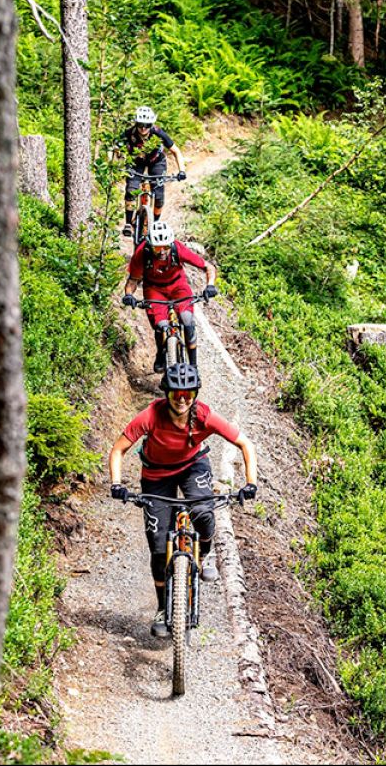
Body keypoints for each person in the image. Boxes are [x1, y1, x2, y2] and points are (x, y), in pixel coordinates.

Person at [107, 363, 258, 637]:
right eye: (176, 392)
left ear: (195, 393)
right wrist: (116, 483)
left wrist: (251, 483)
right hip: (155, 475)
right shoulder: (151, 416)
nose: (182, 398)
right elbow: (118, 450)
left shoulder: (204, 416)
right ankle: (164, 608)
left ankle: (206, 555)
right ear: (167, 393)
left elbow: (245, 444)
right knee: (156, 545)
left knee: (203, 512)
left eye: (188, 393)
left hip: (193, 467)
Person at [122, 220, 218, 373]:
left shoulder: (177, 249)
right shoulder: (142, 254)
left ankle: (193, 366)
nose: (162, 251)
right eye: (158, 247)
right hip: (154, 289)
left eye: (166, 247)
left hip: (178, 285)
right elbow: (133, 280)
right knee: (161, 326)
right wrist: (128, 295)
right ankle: (161, 353)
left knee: (187, 321)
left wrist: (210, 285)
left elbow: (208, 267)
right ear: (150, 245)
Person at [117, 106, 185, 239]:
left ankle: (155, 223)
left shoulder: (158, 133)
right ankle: (128, 224)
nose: (143, 128)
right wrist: (114, 164)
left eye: (147, 125)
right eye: (140, 125)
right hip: (136, 161)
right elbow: (114, 147)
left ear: (151, 124)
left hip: (156, 161)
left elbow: (176, 151)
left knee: (159, 195)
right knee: (131, 190)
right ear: (135, 123)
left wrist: (182, 170)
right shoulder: (129, 133)